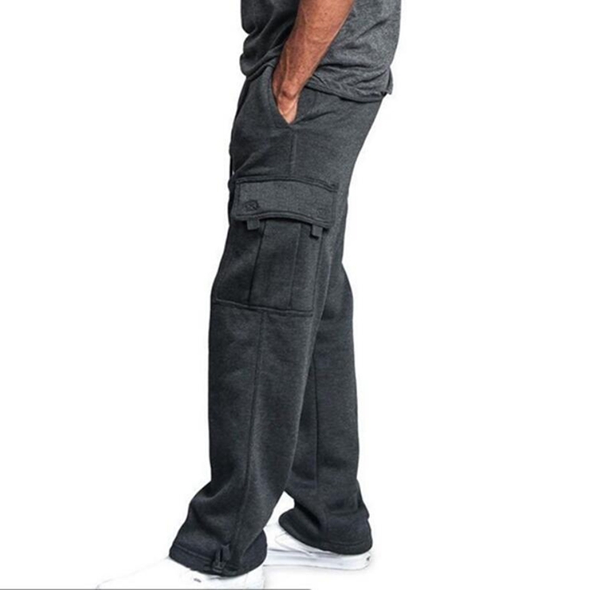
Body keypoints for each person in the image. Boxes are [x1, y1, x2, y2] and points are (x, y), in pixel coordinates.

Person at [98, 0, 400, 588]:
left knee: (262, 307)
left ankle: (221, 550)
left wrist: (286, 85)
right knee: (311, 299)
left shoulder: (301, 84)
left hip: (312, 81)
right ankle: (330, 521)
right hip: (326, 79)